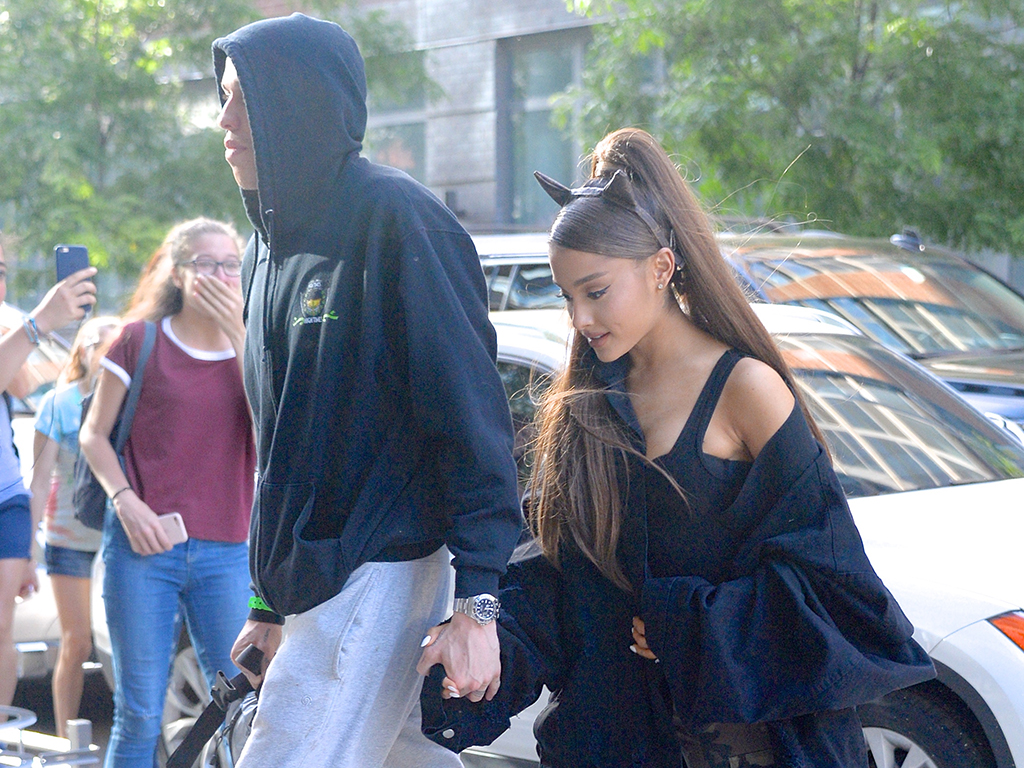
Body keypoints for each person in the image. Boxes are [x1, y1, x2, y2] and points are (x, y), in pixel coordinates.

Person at [419, 128, 935, 767]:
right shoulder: (585, 407)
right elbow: (555, 579)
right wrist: (484, 647)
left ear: (661, 268)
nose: (579, 318)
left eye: (596, 291)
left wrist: (689, 622)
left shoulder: (747, 390)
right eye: (567, 296)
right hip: (610, 741)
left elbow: (837, 590)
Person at [211, 13, 522, 768]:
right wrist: (266, 601)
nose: (223, 123)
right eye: (221, 99)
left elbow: (472, 417)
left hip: (380, 569)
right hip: (311, 585)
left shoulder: (398, 219)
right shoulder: (264, 249)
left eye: (244, 102)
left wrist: (478, 605)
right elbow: (280, 445)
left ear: (301, 106)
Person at [79, 218, 255, 767]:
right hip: (141, 551)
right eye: (206, 264)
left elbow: (276, 434)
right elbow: (93, 435)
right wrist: (125, 500)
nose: (220, 276)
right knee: (139, 713)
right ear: (178, 273)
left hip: (227, 551)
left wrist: (244, 340)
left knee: (244, 706)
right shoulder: (140, 339)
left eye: (231, 264)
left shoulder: (256, 349)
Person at [0, 234, 97, 709]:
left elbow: (16, 377)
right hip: (49, 525)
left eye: (1, 271)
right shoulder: (23, 329)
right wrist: (38, 326)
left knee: (2, 630)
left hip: (6, 497)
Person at [29, 314, 119, 736]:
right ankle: (67, 741)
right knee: (77, 642)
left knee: (125, 645)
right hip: (68, 538)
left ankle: (136, 734)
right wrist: (25, 547)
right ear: (85, 351)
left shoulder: (132, 396)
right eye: (107, 344)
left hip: (121, 536)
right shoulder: (58, 403)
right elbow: (39, 476)